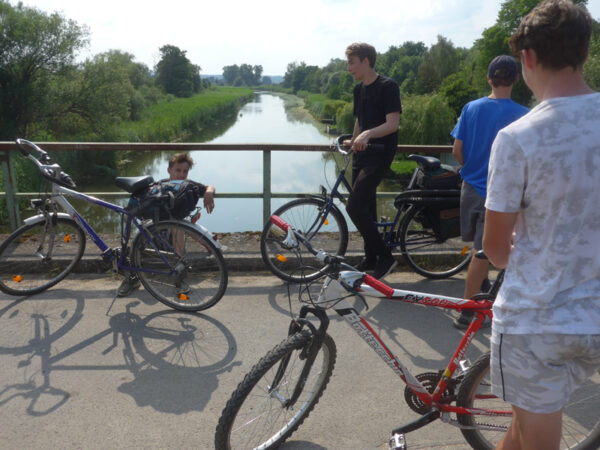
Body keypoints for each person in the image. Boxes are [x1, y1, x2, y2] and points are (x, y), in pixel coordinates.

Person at [482, 1, 600, 448]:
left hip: (538, 319)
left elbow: (495, 248)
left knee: (537, 435)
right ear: (584, 54)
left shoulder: (518, 137)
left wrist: (521, 248)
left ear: (527, 59)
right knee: (522, 427)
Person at [450, 56, 529, 329]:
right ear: (516, 79)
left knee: (478, 247)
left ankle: (477, 301)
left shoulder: (471, 108)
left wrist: (470, 169)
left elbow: (457, 151)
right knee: (481, 253)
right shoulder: (524, 114)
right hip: (501, 191)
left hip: (470, 188)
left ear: (489, 78)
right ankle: (468, 312)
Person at [117, 153, 215, 297]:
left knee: (178, 227)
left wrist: (208, 193)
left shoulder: (188, 186)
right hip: (155, 234)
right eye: (177, 170)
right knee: (140, 232)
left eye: (185, 171)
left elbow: (209, 187)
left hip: (174, 239)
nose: (181, 175)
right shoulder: (159, 185)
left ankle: (179, 276)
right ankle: (132, 277)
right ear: (169, 170)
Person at [345, 42, 402, 279]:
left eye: (352, 62)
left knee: (354, 207)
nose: (349, 68)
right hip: (362, 154)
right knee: (366, 207)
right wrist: (353, 139)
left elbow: (392, 124)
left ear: (366, 61)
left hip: (380, 155)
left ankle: (386, 258)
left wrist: (368, 134)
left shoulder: (387, 86)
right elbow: (360, 120)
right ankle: (371, 258)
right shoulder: (359, 90)